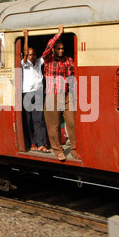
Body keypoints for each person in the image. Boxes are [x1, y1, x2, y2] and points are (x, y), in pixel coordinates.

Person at [42, 25, 77, 161]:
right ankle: (58, 150)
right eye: (58, 48)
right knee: (54, 125)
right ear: (54, 50)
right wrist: (58, 34)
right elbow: (47, 49)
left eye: (62, 48)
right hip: (52, 95)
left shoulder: (67, 60)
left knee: (72, 122)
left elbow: (74, 71)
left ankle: (74, 149)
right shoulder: (48, 60)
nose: (61, 51)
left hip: (67, 95)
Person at [22, 28, 49, 153]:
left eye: (33, 54)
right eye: (29, 54)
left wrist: (57, 36)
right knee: (28, 121)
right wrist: (26, 37)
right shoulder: (24, 64)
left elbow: (47, 51)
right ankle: (32, 142)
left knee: (39, 119)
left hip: (37, 93)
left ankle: (41, 144)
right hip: (26, 93)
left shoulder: (39, 62)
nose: (31, 56)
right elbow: (25, 52)